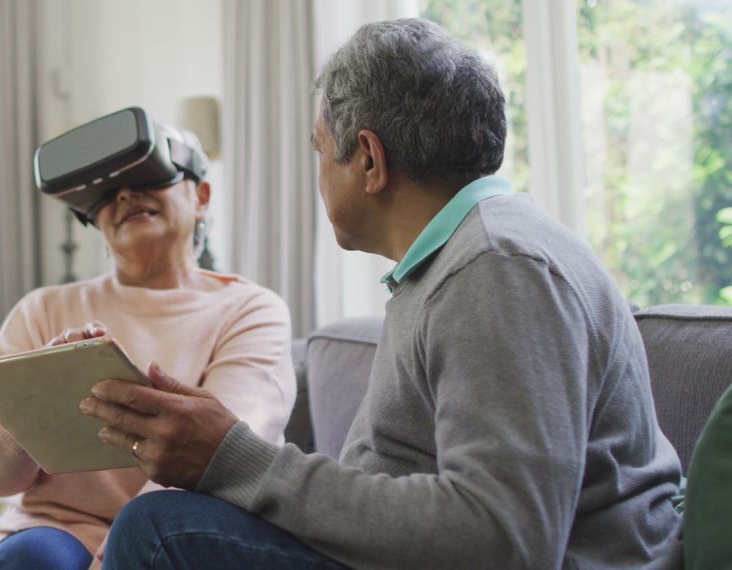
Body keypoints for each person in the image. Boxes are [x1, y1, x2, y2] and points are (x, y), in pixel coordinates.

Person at [81, 18, 684, 569]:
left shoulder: (499, 268)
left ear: (368, 158)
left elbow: (506, 540)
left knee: (158, 530)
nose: (319, 176)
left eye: (321, 151)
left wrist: (235, 459)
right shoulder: (456, 262)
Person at [0, 125, 296, 569]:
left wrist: (121, 552)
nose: (125, 194)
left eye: (151, 176)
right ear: (92, 219)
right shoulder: (42, 309)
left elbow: (225, 449)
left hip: (178, 532)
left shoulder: (250, 309)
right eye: (106, 190)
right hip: (53, 534)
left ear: (202, 197)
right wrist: (38, 388)